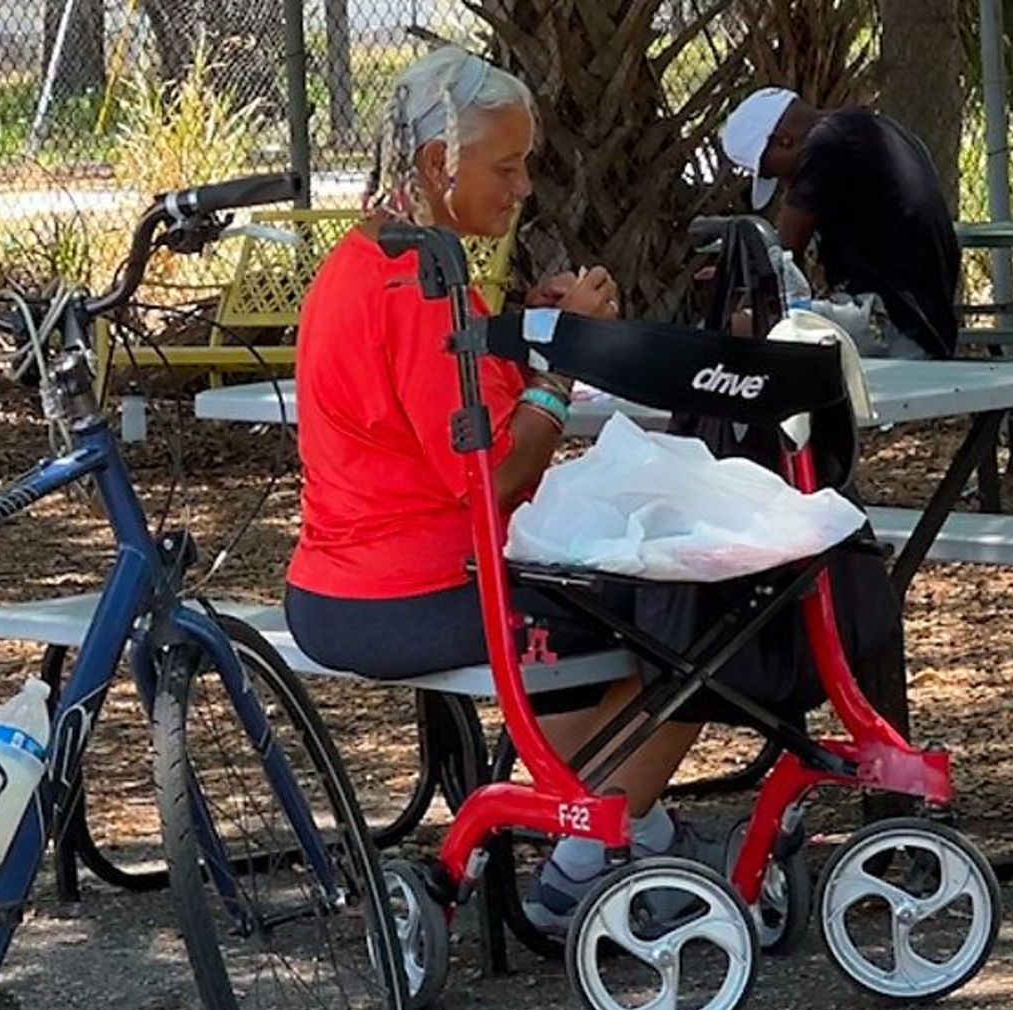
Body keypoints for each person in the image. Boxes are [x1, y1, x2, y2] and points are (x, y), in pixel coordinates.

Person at [282, 47, 728, 928]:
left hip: (354, 581)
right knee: (705, 613)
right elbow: (493, 475)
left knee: (608, 604)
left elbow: (455, 407)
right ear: (437, 164)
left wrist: (529, 333)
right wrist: (560, 367)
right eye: (508, 166)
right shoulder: (418, 286)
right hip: (416, 588)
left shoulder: (376, 259)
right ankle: (592, 852)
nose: (523, 188)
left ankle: (630, 826)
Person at [718, 86, 962, 360]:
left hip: (892, 324)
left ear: (784, 141)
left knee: (743, 324)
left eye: (772, 172)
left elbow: (782, 257)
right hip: (926, 326)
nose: (785, 185)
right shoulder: (880, 128)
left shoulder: (825, 143)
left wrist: (740, 277)